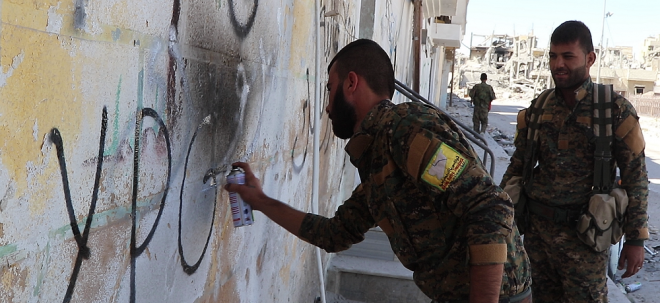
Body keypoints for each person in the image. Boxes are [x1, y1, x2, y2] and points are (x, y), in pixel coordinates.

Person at [226, 39, 532, 302]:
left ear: (351, 83)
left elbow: (489, 206)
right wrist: (259, 200)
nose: (328, 107)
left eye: (330, 89)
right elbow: (334, 235)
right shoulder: (377, 157)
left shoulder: (403, 129)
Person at [500, 21, 649, 302]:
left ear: (589, 58)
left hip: (586, 238)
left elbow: (636, 178)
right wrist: (499, 218)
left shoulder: (613, 109)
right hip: (537, 237)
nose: (558, 64)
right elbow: (517, 166)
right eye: (553, 56)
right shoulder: (540, 107)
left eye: (568, 56)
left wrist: (636, 239)